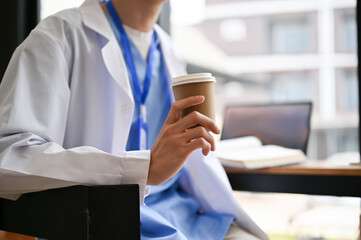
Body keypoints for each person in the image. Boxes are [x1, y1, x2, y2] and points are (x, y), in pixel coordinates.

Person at [0, 0, 268, 239]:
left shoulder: (167, 49)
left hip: (183, 213)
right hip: (109, 218)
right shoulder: (58, 36)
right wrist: (142, 169)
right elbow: (8, 159)